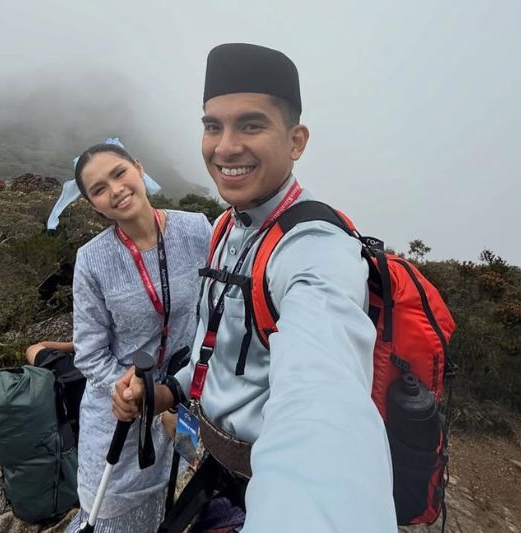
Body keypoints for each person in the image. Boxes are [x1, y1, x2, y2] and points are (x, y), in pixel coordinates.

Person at [112, 43, 397, 531]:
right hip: (214, 469)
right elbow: (216, 358)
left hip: (264, 488)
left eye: (251, 124)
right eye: (212, 126)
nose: (224, 147)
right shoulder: (227, 227)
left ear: (296, 140)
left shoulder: (315, 248)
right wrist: (162, 392)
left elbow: (323, 409)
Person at [64, 141, 212, 533]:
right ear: (94, 205)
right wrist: (132, 391)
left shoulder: (197, 228)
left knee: (175, 500)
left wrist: (174, 394)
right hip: (123, 408)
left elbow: (217, 310)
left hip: (181, 398)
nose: (115, 190)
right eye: (98, 189)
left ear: (139, 168)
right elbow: (90, 352)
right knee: (109, 512)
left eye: (119, 173)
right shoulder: (92, 259)